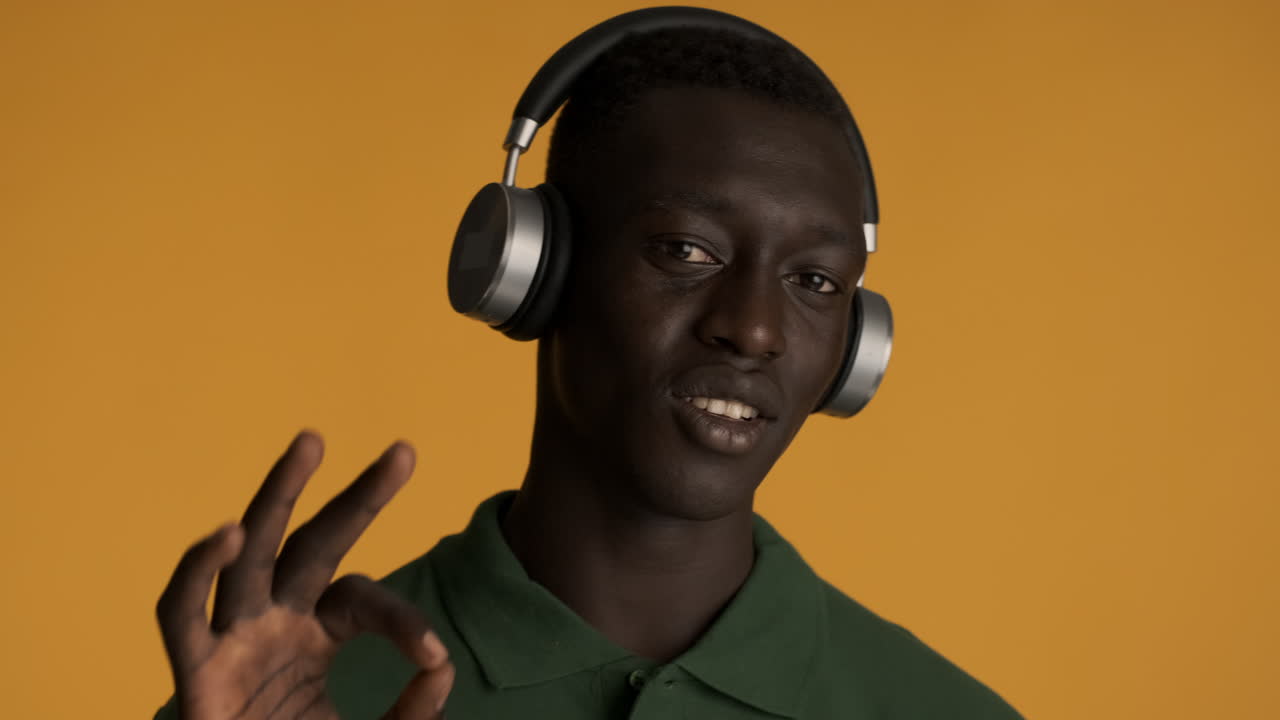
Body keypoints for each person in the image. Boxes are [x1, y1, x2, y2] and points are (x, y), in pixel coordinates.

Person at [153, 11, 1025, 720]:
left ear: (854, 344)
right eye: (687, 250)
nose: (755, 329)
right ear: (535, 268)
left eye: (816, 282)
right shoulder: (292, 693)